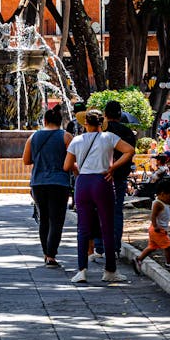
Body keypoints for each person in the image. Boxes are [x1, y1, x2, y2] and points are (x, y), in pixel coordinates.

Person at [64, 109, 135, 283]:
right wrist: (112, 168)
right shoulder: (109, 137)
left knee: (83, 228)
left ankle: (81, 271)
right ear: (101, 123)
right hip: (102, 181)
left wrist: (80, 165)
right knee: (107, 227)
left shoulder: (77, 140)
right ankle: (110, 270)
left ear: (85, 123)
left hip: (83, 183)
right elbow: (130, 150)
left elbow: (67, 166)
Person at [23, 105, 73, 268]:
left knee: (43, 219)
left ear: (44, 120)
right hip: (59, 183)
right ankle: (51, 255)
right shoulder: (66, 137)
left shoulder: (33, 137)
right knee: (56, 220)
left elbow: (26, 160)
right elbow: (72, 160)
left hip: (38, 183)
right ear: (60, 121)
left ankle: (46, 253)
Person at [91, 100, 137, 260]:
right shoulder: (127, 132)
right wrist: (116, 168)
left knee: (98, 210)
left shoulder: (100, 131)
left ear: (105, 114)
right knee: (116, 212)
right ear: (120, 114)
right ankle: (115, 247)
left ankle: (99, 246)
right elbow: (130, 153)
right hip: (119, 177)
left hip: (100, 175)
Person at [133, 179, 170, 274]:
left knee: (152, 247)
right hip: (158, 229)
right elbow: (153, 215)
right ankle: (169, 264)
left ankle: (139, 259)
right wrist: (155, 225)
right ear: (162, 194)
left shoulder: (164, 200)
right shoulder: (157, 203)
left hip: (155, 229)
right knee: (168, 246)